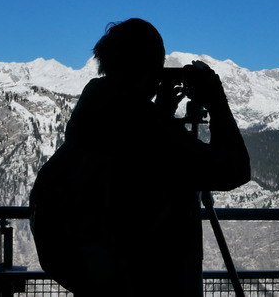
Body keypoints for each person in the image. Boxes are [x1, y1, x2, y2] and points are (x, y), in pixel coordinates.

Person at [30, 18, 250, 296]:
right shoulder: (149, 132)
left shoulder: (89, 123)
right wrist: (217, 102)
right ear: (150, 69)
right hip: (154, 284)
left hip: (99, 286)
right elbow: (236, 169)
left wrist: (159, 115)